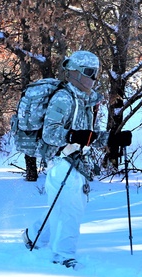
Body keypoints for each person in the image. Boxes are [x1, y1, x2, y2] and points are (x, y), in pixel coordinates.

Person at [23, 50, 106, 265]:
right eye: (89, 72)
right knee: (71, 211)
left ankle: (33, 236)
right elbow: (50, 134)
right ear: (75, 73)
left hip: (78, 164)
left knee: (61, 208)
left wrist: (113, 139)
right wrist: (71, 136)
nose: (93, 78)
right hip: (62, 162)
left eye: (95, 73)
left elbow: (89, 136)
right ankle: (63, 256)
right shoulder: (63, 98)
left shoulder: (87, 101)